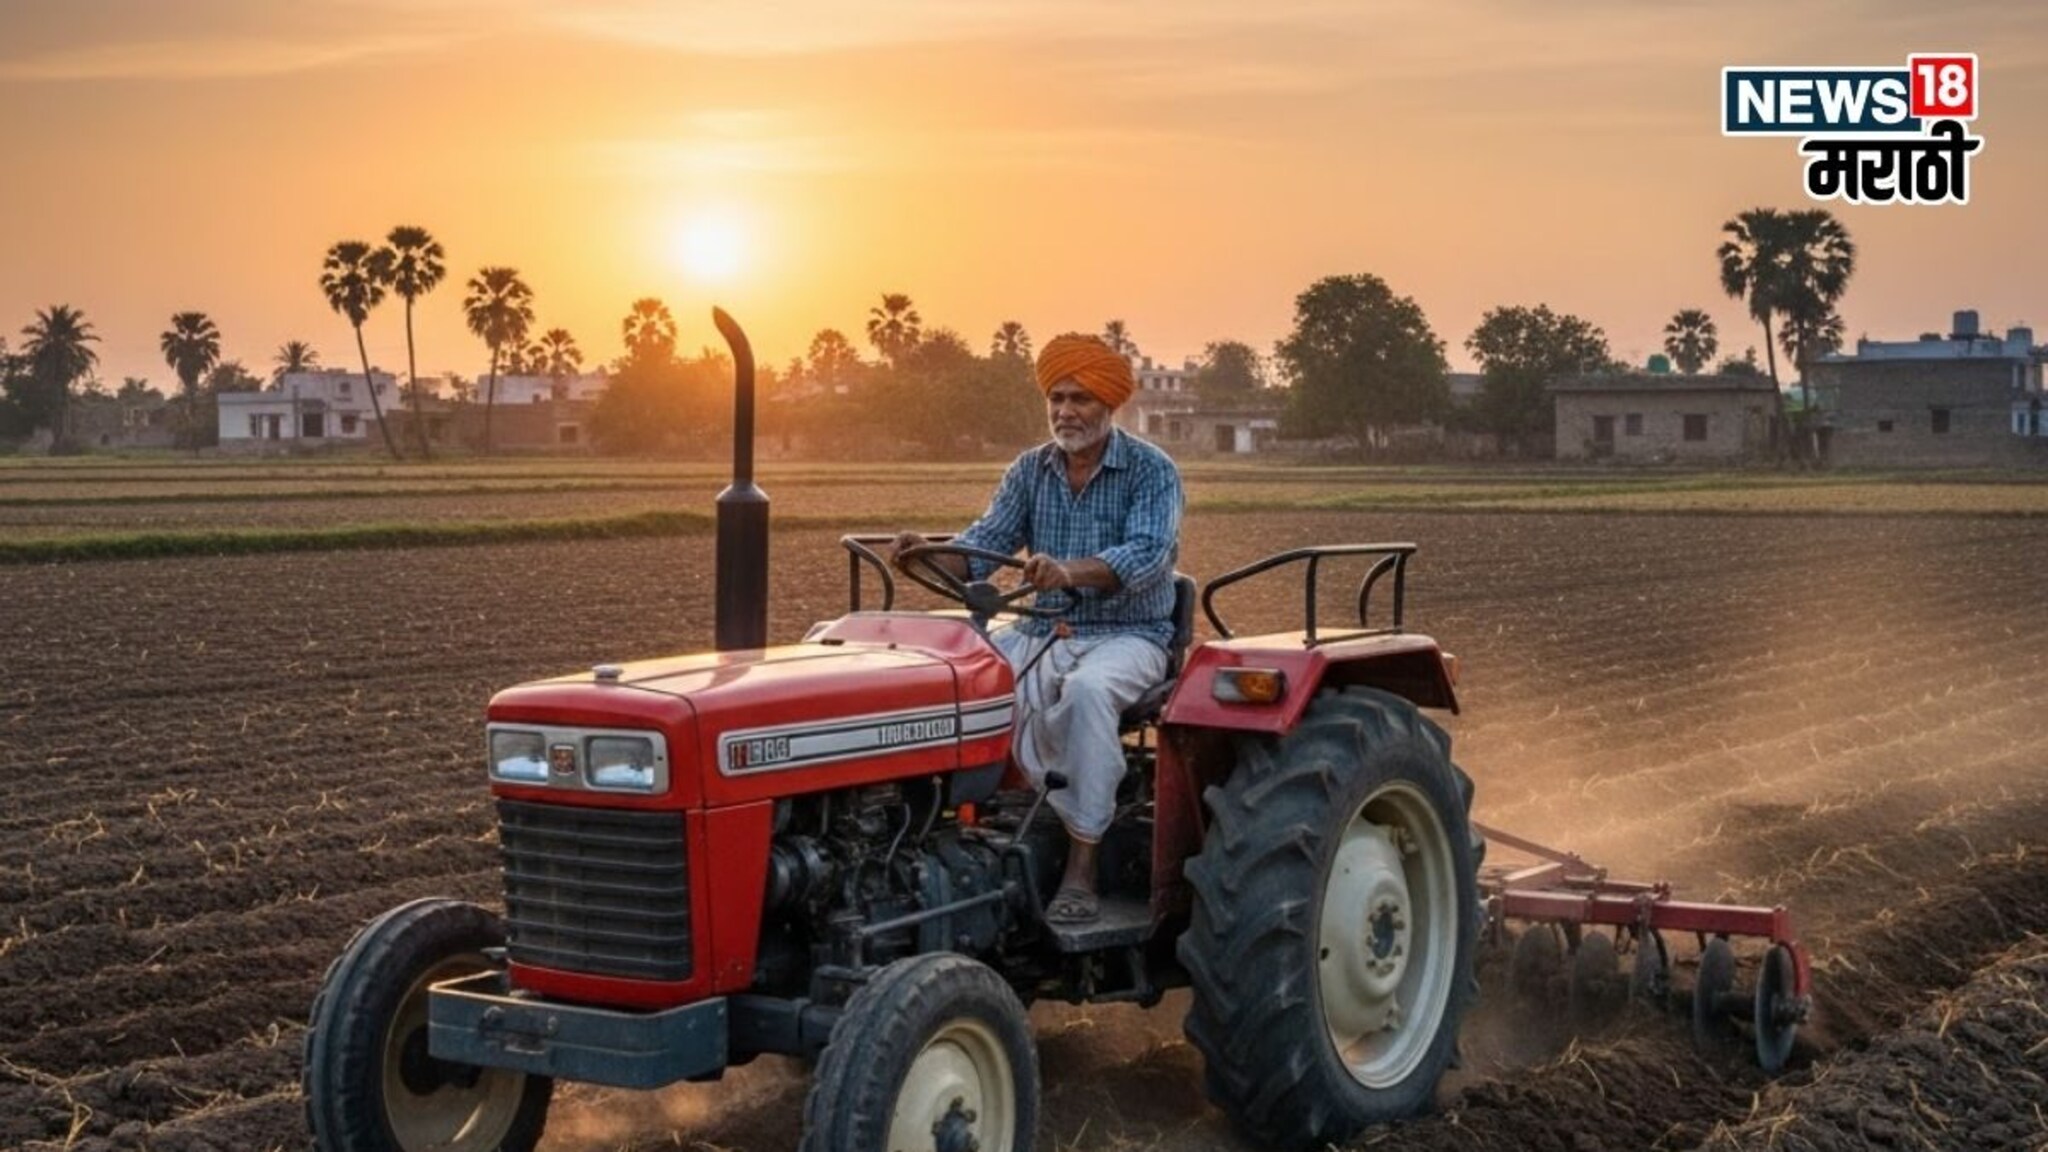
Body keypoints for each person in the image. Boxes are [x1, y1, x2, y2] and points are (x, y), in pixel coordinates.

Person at [893, 333, 1184, 924]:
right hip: (1044, 626)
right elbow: (984, 546)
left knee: (1086, 693)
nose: (1066, 412)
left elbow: (1149, 555)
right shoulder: (1031, 470)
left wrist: (1069, 571)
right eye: (1057, 398)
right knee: (965, 676)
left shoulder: (1152, 470)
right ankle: (963, 830)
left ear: (1108, 404)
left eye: (1079, 398)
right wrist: (927, 553)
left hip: (1130, 634)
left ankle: (1081, 865)